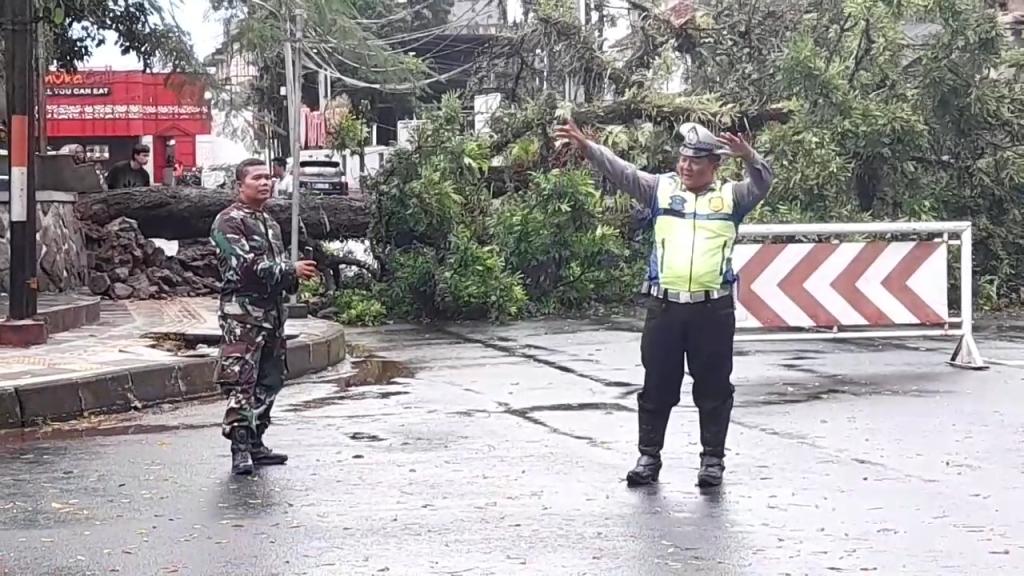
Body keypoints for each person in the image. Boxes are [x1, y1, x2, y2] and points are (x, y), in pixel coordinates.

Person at [555, 118, 774, 488]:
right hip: (665, 308)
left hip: (712, 310)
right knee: (657, 385)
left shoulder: (731, 198)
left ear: (714, 166)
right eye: (683, 159)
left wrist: (749, 155)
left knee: (714, 388)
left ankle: (712, 461)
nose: (686, 166)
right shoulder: (660, 190)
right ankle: (648, 457)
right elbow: (621, 172)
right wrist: (588, 147)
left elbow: (764, 182)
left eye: (695, 161)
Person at [210, 158, 319, 476]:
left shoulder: (270, 223)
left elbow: (278, 268)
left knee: (270, 380)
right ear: (239, 185)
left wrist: (296, 276)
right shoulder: (227, 222)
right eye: (257, 178)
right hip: (242, 316)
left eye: (269, 177)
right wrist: (289, 269)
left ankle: (257, 441)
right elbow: (244, 266)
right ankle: (240, 447)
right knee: (242, 381)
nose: (265, 183)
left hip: (272, 315)